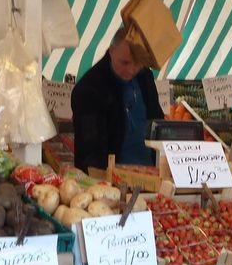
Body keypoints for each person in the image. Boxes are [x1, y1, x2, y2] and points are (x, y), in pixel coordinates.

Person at [70, 26, 164, 172]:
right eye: (125, 63)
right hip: (112, 180)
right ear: (111, 51)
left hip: (151, 173)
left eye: (138, 63)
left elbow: (157, 120)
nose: (132, 69)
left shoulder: (145, 76)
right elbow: (90, 151)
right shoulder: (89, 89)